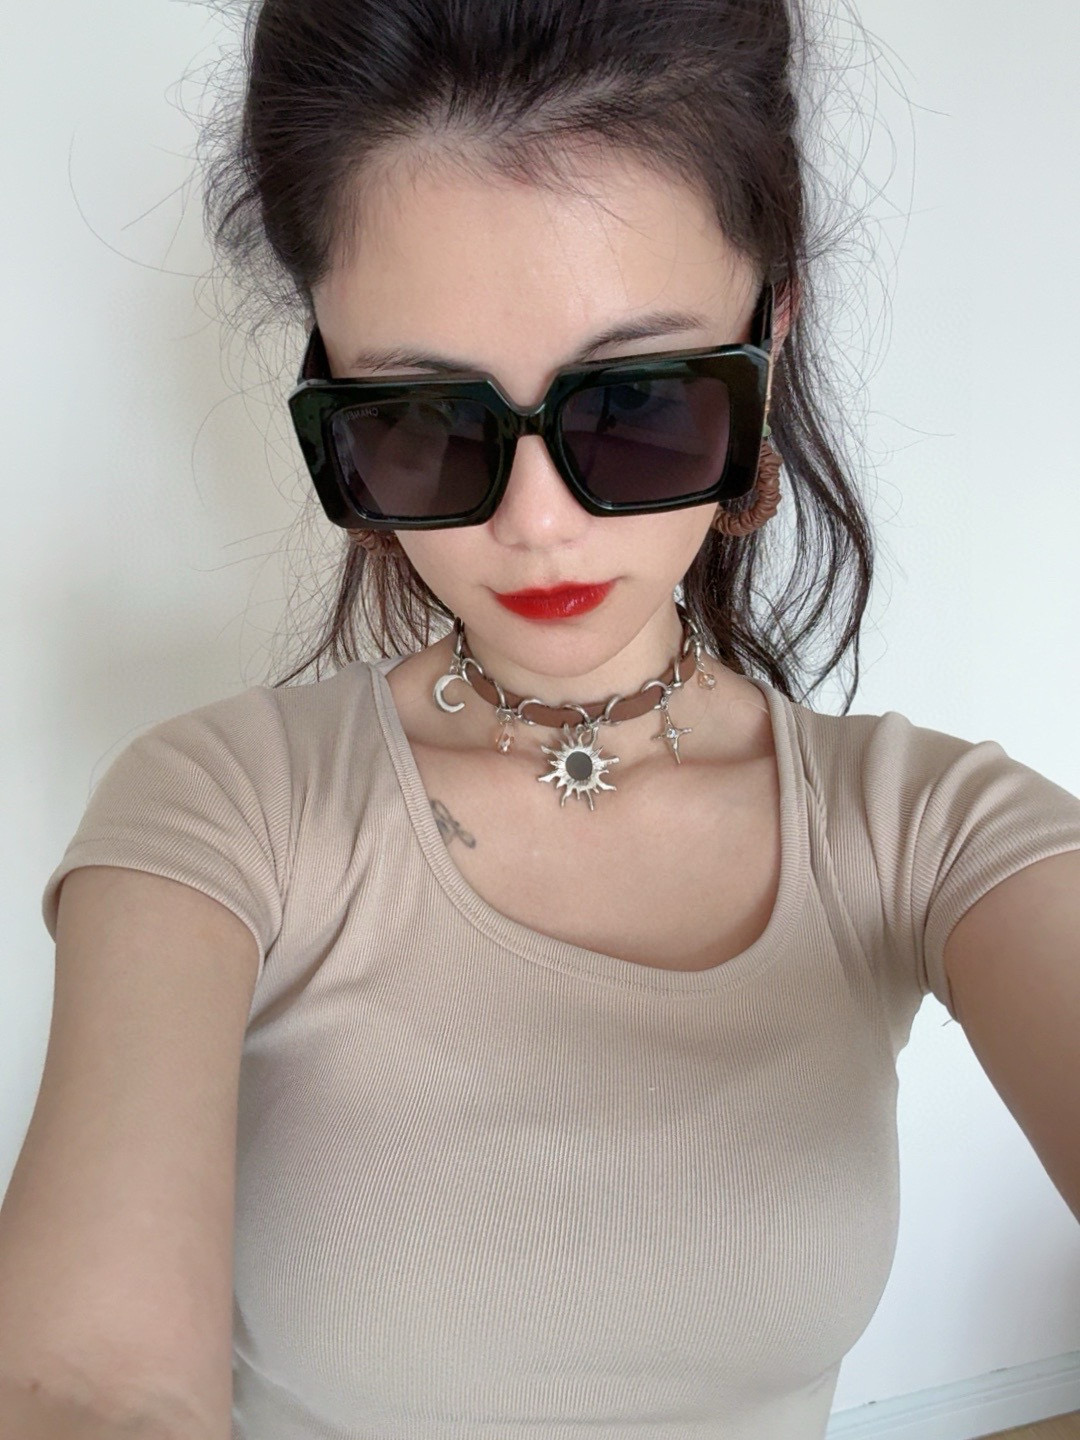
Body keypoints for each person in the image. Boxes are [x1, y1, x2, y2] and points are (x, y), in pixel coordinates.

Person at [5, 1, 1080, 1438]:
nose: (535, 524)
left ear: (771, 339)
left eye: (638, 402)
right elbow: (86, 1381)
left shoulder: (930, 833)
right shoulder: (221, 808)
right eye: (420, 416)